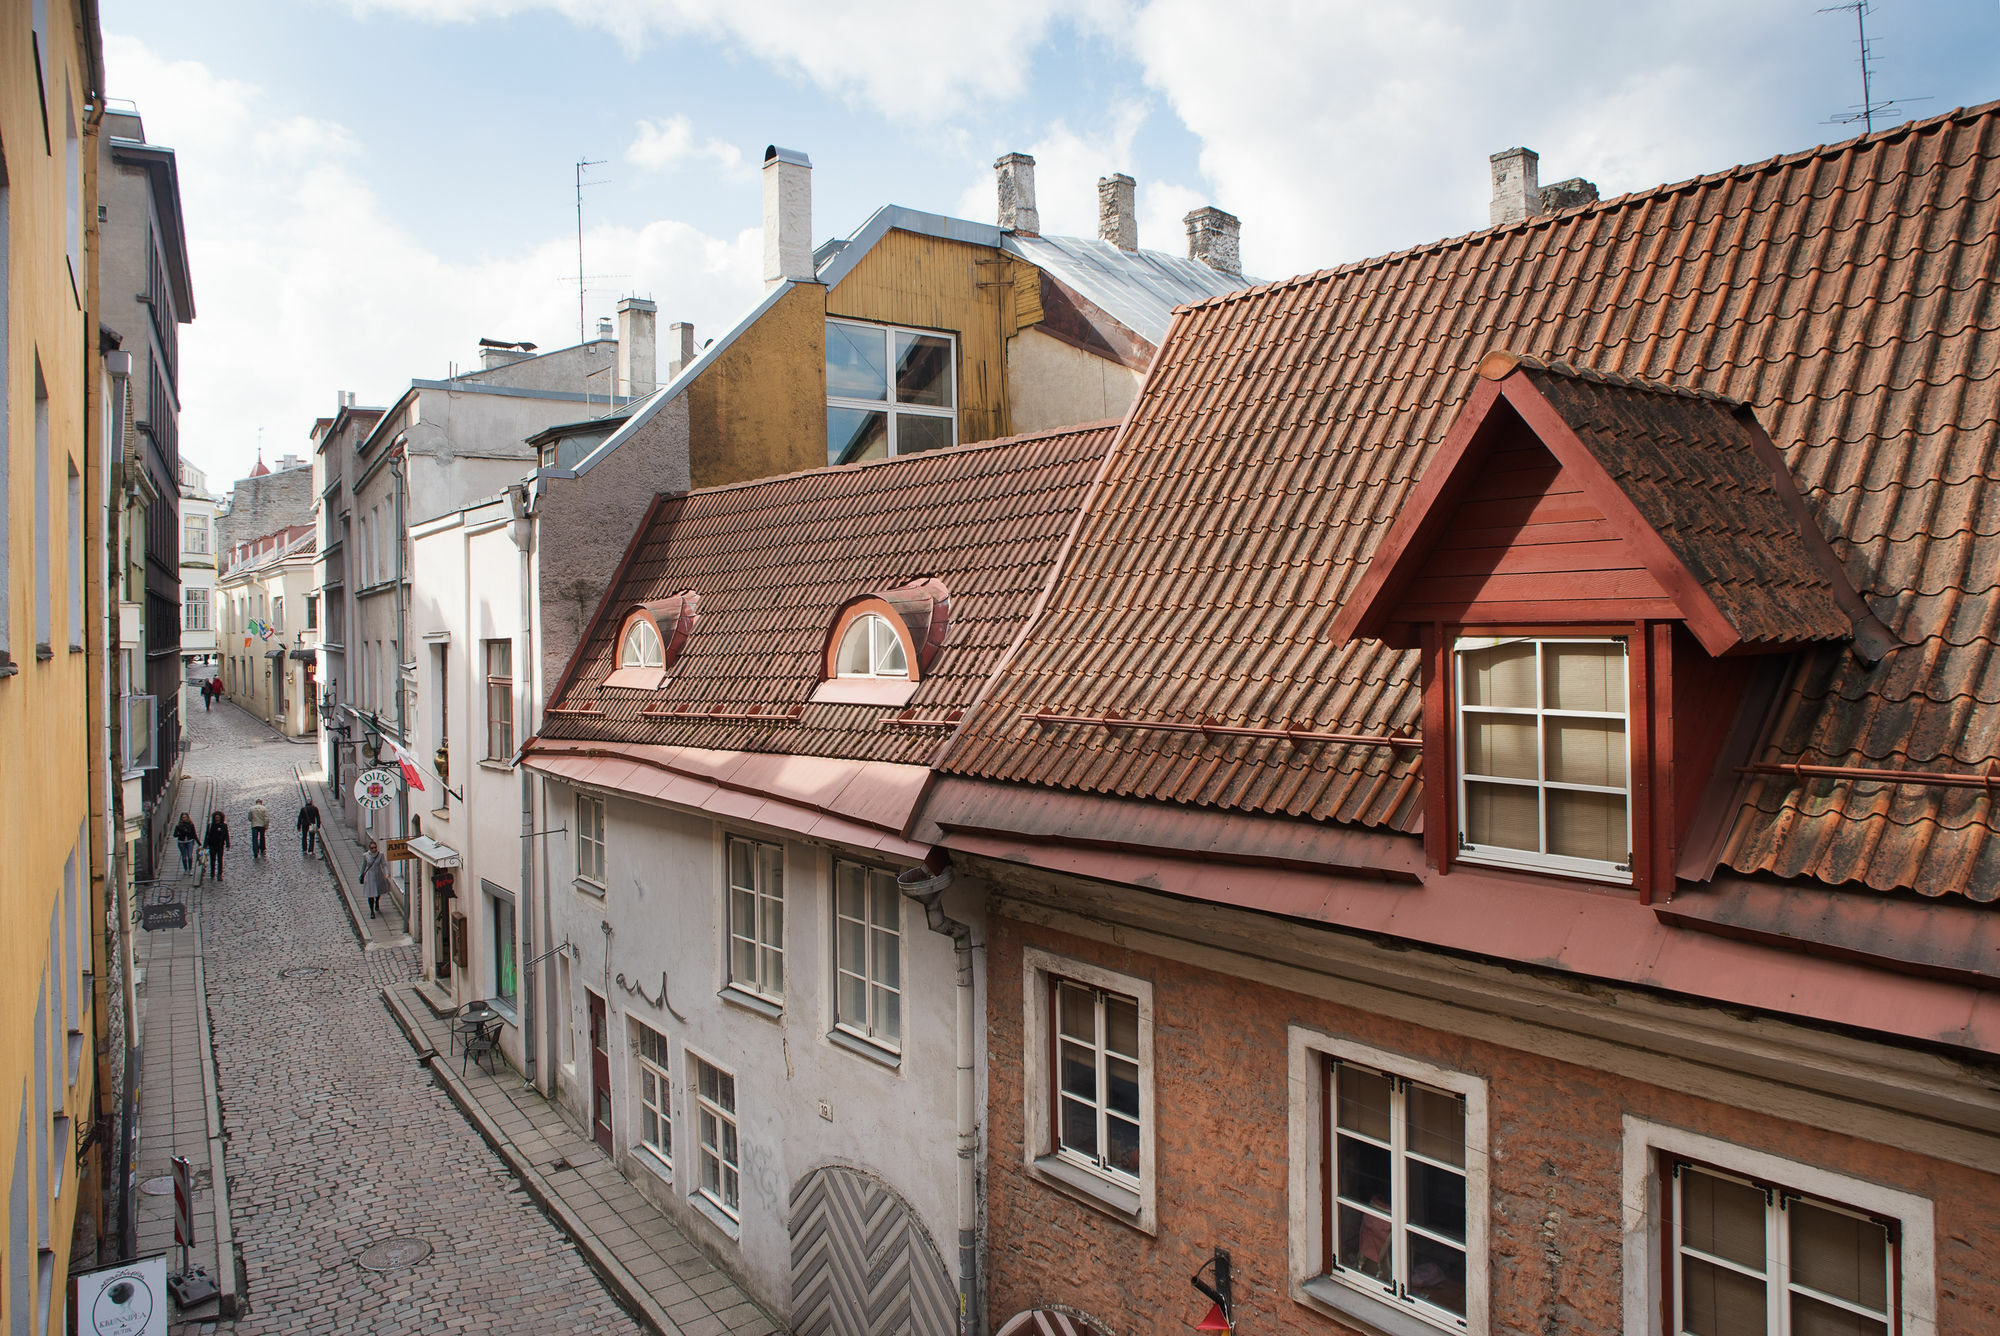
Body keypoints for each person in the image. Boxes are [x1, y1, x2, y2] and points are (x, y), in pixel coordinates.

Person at [358, 840, 384, 919]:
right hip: (370, 876)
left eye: (375, 847)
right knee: (370, 894)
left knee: (378, 891)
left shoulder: (380, 855)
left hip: (378, 875)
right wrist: (361, 875)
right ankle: (372, 911)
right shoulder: (366, 856)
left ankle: (377, 902)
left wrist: (387, 873)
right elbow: (363, 866)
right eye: (372, 848)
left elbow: (384, 864)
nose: (374, 849)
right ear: (369, 848)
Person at [203, 811, 230, 882]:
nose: (217, 818)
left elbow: (226, 835)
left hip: (220, 845)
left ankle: (220, 874)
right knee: (212, 860)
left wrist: (228, 844)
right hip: (212, 845)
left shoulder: (224, 826)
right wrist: (205, 845)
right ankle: (212, 873)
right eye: (216, 817)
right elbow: (207, 835)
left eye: (218, 817)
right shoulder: (210, 826)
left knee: (220, 860)